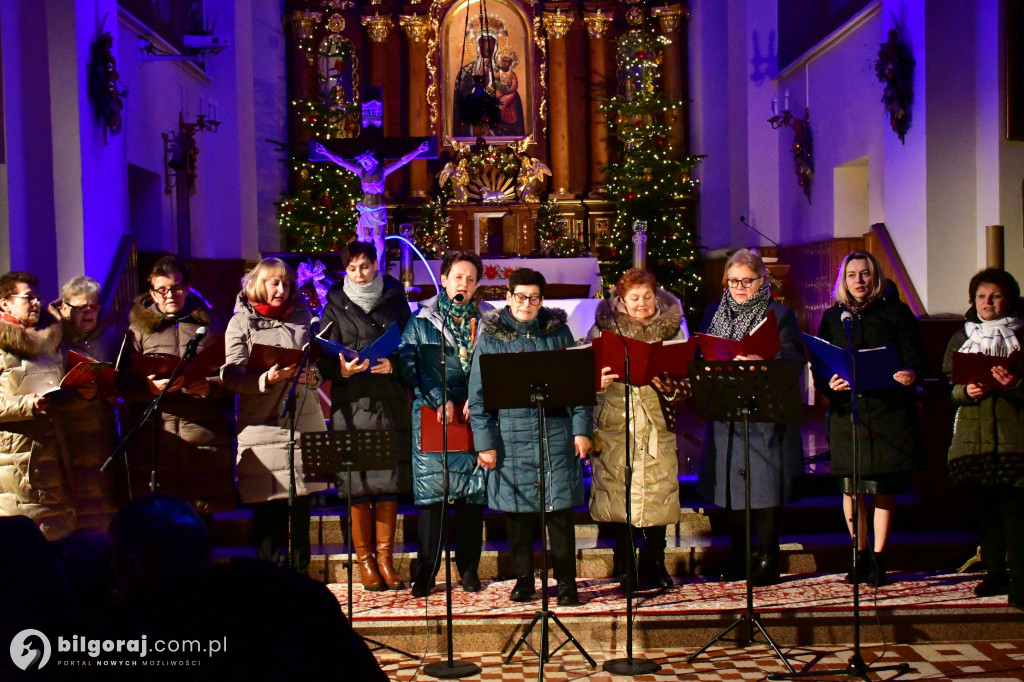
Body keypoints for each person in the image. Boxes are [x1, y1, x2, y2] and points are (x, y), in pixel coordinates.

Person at [468, 268, 593, 606]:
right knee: (518, 513)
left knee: (559, 513)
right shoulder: (491, 336)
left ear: (542, 300)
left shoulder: (558, 331)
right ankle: (524, 580)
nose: (526, 303)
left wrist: (581, 429)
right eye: (520, 296)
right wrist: (485, 443)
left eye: (534, 297)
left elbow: (579, 387)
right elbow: (478, 397)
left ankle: (566, 582)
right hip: (511, 433)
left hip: (555, 431)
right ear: (508, 297)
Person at [815, 250, 926, 587]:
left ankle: (879, 557)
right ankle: (858, 555)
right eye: (852, 275)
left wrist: (909, 372)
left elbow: (916, 357)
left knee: (881, 487)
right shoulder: (834, 317)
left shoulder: (896, 312)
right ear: (843, 281)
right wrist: (828, 382)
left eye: (865, 274)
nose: (859, 281)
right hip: (848, 412)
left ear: (875, 277)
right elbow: (821, 363)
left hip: (887, 412)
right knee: (851, 487)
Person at [697, 249, 804, 587]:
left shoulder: (779, 314)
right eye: (733, 281)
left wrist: (763, 360)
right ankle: (739, 554)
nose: (740, 287)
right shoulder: (714, 311)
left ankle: (768, 556)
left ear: (762, 281)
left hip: (764, 409)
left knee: (764, 484)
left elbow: (794, 357)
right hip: (726, 408)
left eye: (747, 280)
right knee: (731, 484)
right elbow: (700, 351)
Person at [221, 258, 328, 573]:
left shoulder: (302, 317)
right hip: (264, 423)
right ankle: (269, 587)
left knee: (302, 512)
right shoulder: (240, 323)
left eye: (285, 283)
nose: (281, 289)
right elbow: (231, 374)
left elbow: (314, 363)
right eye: (273, 283)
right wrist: (267, 378)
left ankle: (301, 581)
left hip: (303, 421)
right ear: (258, 285)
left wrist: (313, 376)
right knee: (268, 518)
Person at [318, 241, 412, 591]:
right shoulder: (335, 305)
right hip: (352, 404)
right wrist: (340, 368)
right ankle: (366, 561)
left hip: (387, 401)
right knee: (358, 485)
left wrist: (395, 364)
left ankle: (386, 560)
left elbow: (412, 346)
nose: (359, 274)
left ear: (376, 265)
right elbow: (323, 356)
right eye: (352, 268)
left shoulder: (396, 301)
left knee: (388, 484)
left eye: (365, 266)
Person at [400, 251, 491, 597]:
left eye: (470, 279)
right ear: (444, 280)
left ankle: (468, 569)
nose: (463, 284)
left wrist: (479, 396)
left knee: (471, 496)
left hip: (473, 414)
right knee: (433, 498)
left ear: (477, 285)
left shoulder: (489, 319)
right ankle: (426, 573)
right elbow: (409, 363)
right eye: (457, 277)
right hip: (434, 412)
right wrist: (439, 397)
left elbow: (495, 364)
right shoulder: (422, 320)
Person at [588, 268, 686, 590]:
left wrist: (672, 385)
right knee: (620, 490)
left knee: (659, 491)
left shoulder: (673, 330)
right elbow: (585, 373)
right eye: (634, 298)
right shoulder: (603, 328)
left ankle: (655, 561)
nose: (642, 304)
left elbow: (689, 382)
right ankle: (625, 562)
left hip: (657, 420)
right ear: (621, 300)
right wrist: (596, 383)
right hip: (616, 420)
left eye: (647, 296)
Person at [121, 256, 235, 517]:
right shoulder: (137, 330)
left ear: (187, 287)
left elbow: (229, 376)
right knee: (159, 522)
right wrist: (148, 389)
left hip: (203, 435)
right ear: (152, 292)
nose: (169, 295)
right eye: (161, 290)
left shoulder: (210, 325)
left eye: (176, 287)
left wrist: (210, 387)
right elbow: (124, 383)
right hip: (156, 438)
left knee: (201, 521)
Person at [943, 268, 1024, 607]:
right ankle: (994, 573)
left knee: (1016, 514)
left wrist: (1013, 384)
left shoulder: (1022, 335)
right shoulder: (963, 336)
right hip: (973, 436)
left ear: (1009, 299)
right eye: (981, 296)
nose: (987, 302)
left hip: (1013, 436)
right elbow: (949, 383)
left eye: (995, 296)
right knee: (986, 511)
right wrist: (966, 390)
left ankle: (1020, 582)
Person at [0, 271, 77, 539]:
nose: (36, 303)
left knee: (54, 533)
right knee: (21, 536)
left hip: (51, 445)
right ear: (5, 303)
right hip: (13, 452)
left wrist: (76, 390)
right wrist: (27, 404)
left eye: (37, 298)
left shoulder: (49, 341)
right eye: (28, 297)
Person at [50, 275, 121, 532]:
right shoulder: (54, 339)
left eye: (94, 306)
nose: (89, 312)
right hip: (69, 432)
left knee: (105, 497)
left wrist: (115, 392)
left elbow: (121, 378)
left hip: (104, 430)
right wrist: (77, 395)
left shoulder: (111, 338)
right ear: (65, 308)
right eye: (82, 307)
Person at [314, 141, 430, 265]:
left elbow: (402, 161)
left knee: (377, 237)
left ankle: (378, 263)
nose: (367, 166)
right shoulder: (361, 172)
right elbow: (342, 162)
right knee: (367, 239)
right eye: (364, 164)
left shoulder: (382, 172)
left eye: (368, 163)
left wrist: (418, 151)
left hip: (378, 209)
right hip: (365, 209)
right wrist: (326, 153)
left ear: (374, 160)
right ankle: (367, 261)